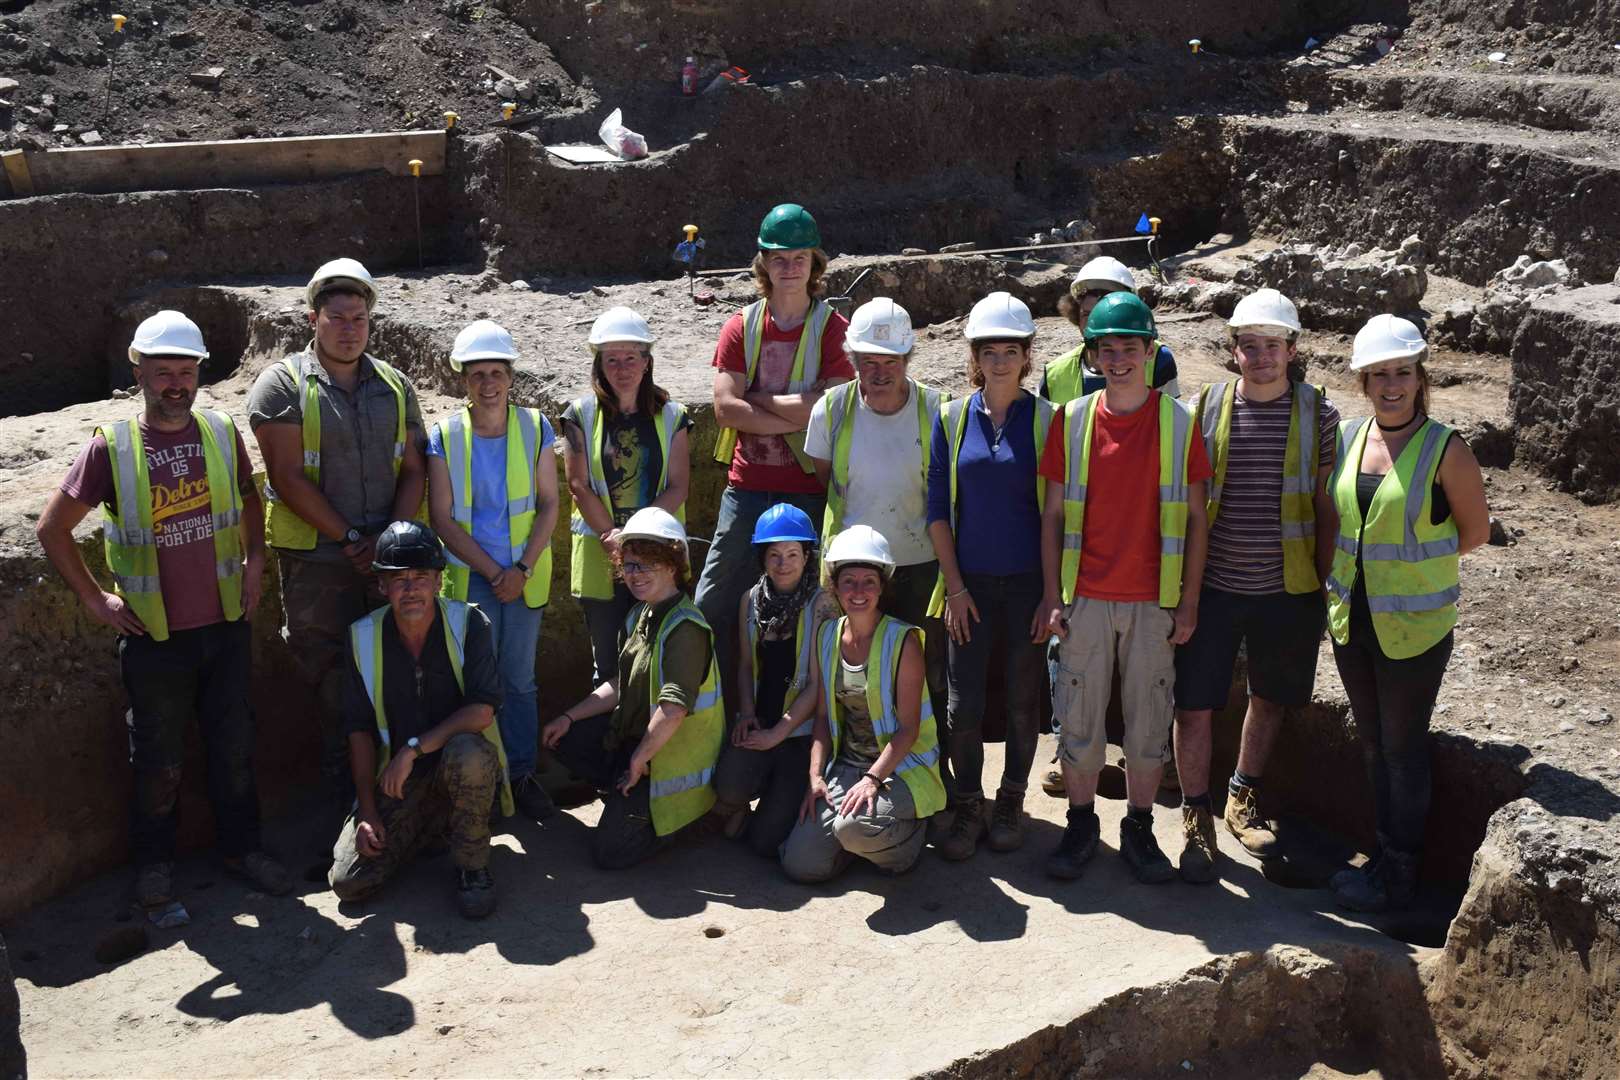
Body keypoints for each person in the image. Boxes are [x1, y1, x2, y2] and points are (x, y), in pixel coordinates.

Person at [37, 311, 290, 911]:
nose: (176, 383)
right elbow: (53, 530)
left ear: (199, 372)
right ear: (138, 373)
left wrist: (256, 562)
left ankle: (242, 848)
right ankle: (154, 864)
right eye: (163, 372)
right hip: (155, 637)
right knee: (158, 759)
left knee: (234, 747)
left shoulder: (220, 431)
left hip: (225, 624)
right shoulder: (112, 447)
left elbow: (251, 500)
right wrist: (95, 598)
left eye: (186, 371)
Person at [248, 258, 429, 868]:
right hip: (318, 565)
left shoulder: (396, 385)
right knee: (327, 676)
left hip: (384, 562)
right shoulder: (281, 386)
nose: (349, 329)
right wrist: (355, 539)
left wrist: (392, 543)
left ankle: (398, 794)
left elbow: (413, 470)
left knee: (394, 669)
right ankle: (340, 803)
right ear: (312, 319)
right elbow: (287, 477)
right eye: (337, 318)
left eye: (359, 318)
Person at [1038, 293, 1212, 883]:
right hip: (1085, 598)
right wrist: (1053, 596)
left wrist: (1188, 601)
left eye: (1128, 348)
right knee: (1079, 719)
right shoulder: (1073, 420)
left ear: (1150, 350)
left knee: (1146, 723)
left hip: (1151, 601)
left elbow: (1194, 520)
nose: (1117, 359)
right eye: (1105, 349)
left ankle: (1138, 826)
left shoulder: (1178, 425)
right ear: (1092, 355)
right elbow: (1055, 515)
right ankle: (1081, 823)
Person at [1171, 290, 1341, 882]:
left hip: (1287, 589)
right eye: (1250, 346)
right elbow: (1191, 505)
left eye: (1273, 345)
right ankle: (1197, 815)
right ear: (1234, 350)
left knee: (1268, 699)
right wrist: (1183, 592)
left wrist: (1321, 588)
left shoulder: (1320, 415)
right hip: (1212, 587)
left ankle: (1242, 794)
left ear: (1293, 350)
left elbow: (1325, 506)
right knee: (1193, 706)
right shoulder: (1208, 406)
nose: (1261, 356)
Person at [1326, 315, 1489, 912]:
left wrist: (1409, 574)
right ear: (1363, 382)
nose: (1390, 385)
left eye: (1402, 372)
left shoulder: (1447, 449)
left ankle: (1400, 872)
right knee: (1372, 744)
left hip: (1414, 629)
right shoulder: (1347, 438)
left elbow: (1473, 533)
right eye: (1378, 375)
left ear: (1421, 378)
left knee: (1402, 749)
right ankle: (1384, 855)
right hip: (1352, 621)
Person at [695, 204, 853, 719]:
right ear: (764, 263)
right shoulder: (741, 326)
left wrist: (756, 400)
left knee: (814, 609)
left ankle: (802, 720)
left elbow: (829, 407)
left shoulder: (833, 329)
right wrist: (799, 409)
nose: (789, 267)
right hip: (748, 488)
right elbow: (724, 409)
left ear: (815, 263)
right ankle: (713, 714)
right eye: (779, 257)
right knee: (713, 604)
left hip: (807, 488)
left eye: (800, 257)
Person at [1036, 257, 1182, 800]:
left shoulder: (1166, 392)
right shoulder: (1062, 384)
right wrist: (1053, 589)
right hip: (1084, 570)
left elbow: (1178, 494)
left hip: (1146, 579)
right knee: (1074, 679)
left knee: (1145, 696)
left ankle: (1145, 775)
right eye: (1092, 301)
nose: (1116, 355)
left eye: (1112, 297)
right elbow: (1057, 494)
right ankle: (1072, 762)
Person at [803, 297, 951, 828]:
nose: (879, 371)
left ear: (909, 358)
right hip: (856, 570)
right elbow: (827, 477)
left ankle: (930, 786)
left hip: (920, 568)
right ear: (852, 359)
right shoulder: (834, 409)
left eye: (890, 361)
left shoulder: (938, 409)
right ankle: (860, 777)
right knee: (851, 675)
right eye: (868, 360)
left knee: (926, 678)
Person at [925, 293, 1056, 859]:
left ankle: (1011, 797)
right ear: (974, 357)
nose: (1000, 360)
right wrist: (953, 588)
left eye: (1011, 350)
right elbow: (935, 509)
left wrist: (1052, 594)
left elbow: (1058, 514)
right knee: (963, 702)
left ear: (1028, 356)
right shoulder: (952, 418)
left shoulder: (1049, 421)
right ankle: (969, 803)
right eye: (989, 351)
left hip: (1028, 583)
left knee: (1025, 698)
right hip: (969, 587)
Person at [329, 521, 508, 919]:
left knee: (469, 752)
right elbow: (357, 729)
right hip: (398, 784)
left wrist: (413, 749)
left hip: (455, 767)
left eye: (421, 577)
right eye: (399, 579)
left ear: (439, 581)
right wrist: (367, 811)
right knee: (348, 881)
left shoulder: (470, 624)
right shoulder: (362, 637)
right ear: (381, 586)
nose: (411, 589)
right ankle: (429, 827)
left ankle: (472, 866)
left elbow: (482, 710)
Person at [426, 320, 559, 823]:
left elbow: (549, 502)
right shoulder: (445, 436)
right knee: (478, 683)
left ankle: (520, 774)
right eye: (477, 374)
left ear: (510, 376)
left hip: (524, 575)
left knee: (519, 680)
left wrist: (520, 568)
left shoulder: (535, 426)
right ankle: (484, 781)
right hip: (475, 576)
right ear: (463, 379)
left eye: (496, 372)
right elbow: (441, 517)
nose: (487, 383)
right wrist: (497, 572)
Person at [542, 508, 724, 869]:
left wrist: (638, 761)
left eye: (646, 565)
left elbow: (672, 710)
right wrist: (568, 716)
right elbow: (622, 685)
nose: (634, 575)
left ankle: (689, 821)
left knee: (610, 853)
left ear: (673, 565)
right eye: (629, 565)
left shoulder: (685, 627)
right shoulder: (641, 613)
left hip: (670, 767)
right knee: (567, 736)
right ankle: (623, 794)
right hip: (642, 742)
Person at [780, 526, 946, 882]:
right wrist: (815, 776)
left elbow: (908, 730)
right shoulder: (828, 636)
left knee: (854, 827)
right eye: (849, 581)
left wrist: (872, 780)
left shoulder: (903, 641)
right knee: (801, 865)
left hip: (902, 769)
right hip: (848, 766)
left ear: (882, 586)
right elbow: (824, 718)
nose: (858, 592)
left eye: (868, 581)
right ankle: (860, 840)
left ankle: (907, 841)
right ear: (835, 587)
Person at [560, 306, 691, 688]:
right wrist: (615, 539)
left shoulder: (673, 416)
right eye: (611, 359)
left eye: (630, 357)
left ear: (647, 362)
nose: (622, 367)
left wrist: (637, 539)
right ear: (599, 364)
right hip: (603, 556)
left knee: (661, 660)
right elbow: (579, 485)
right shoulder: (579, 414)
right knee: (610, 666)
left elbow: (679, 485)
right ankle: (614, 744)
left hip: (658, 555)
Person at [711, 504, 838, 857]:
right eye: (774, 554)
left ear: (807, 556)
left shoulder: (822, 604)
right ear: (762, 558)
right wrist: (746, 714)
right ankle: (750, 799)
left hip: (798, 734)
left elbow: (817, 683)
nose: (784, 563)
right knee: (729, 785)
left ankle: (775, 800)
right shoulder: (749, 600)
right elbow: (746, 665)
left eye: (793, 554)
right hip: (761, 721)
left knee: (765, 842)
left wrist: (776, 735)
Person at [1040, 256, 1180, 404]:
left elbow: (1170, 418)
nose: (1095, 325)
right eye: (1088, 315)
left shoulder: (1159, 361)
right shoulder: (1054, 376)